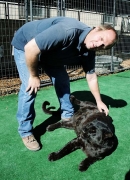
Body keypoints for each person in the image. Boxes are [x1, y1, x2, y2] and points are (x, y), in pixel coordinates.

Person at [11, 16, 118, 151]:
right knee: (30, 87)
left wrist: (99, 101)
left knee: (62, 79)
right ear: (96, 29)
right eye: (101, 39)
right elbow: (31, 48)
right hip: (26, 44)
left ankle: (67, 115)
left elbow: (91, 77)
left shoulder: (89, 51)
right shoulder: (68, 30)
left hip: (49, 53)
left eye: (103, 46)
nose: (98, 44)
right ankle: (25, 131)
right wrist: (33, 76)